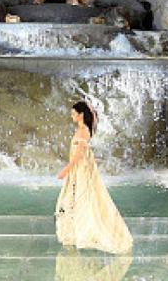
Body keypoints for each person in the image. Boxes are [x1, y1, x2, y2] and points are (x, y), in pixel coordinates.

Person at [55, 101, 133, 255]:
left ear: (81, 115)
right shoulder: (81, 129)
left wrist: (66, 170)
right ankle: (77, 232)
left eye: (74, 114)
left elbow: (79, 154)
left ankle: (89, 233)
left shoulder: (84, 131)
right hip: (79, 169)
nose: (72, 116)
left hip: (81, 169)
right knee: (74, 199)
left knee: (84, 199)